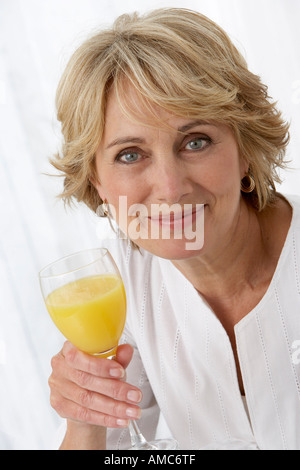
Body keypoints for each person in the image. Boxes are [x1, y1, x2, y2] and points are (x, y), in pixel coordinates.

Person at [48, 8, 300, 450]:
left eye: (195, 141)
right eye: (130, 154)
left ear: (244, 148)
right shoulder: (120, 286)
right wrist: (83, 421)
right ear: (97, 183)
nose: (169, 187)